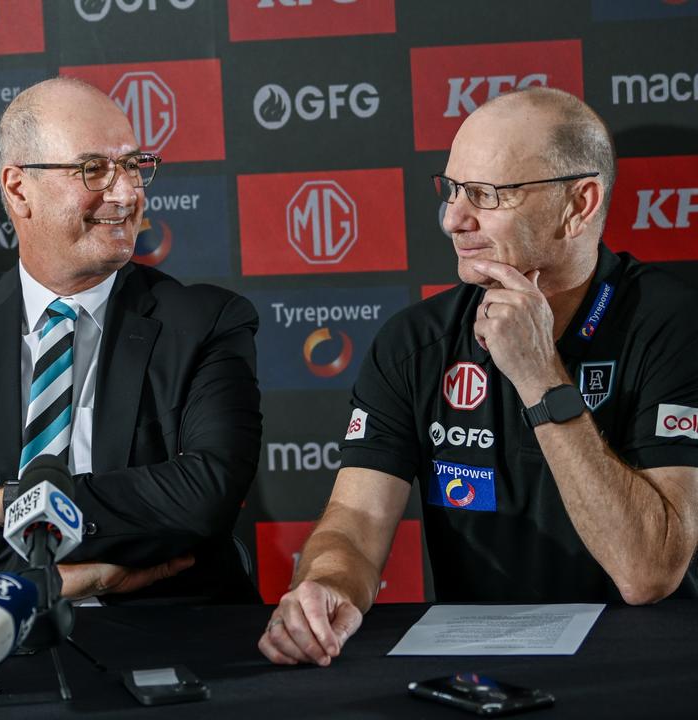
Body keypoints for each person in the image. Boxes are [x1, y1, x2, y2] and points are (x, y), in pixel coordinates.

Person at [258, 87, 698, 666]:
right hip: (479, 671)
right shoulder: (415, 342)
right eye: (453, 189)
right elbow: (358, 519)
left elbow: (647, 572)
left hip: (644, 671)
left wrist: (541, 377)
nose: (452, 219)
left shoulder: (673, 326)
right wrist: (328, 584)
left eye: (487, 195)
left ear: (580, 203)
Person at [0, 77, 263, 603]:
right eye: (94, 169)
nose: (127, 193)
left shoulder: (207, 321)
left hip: (170, 635)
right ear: (18, 188)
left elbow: (204, 497)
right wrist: (51, 580)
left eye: (134, 165)